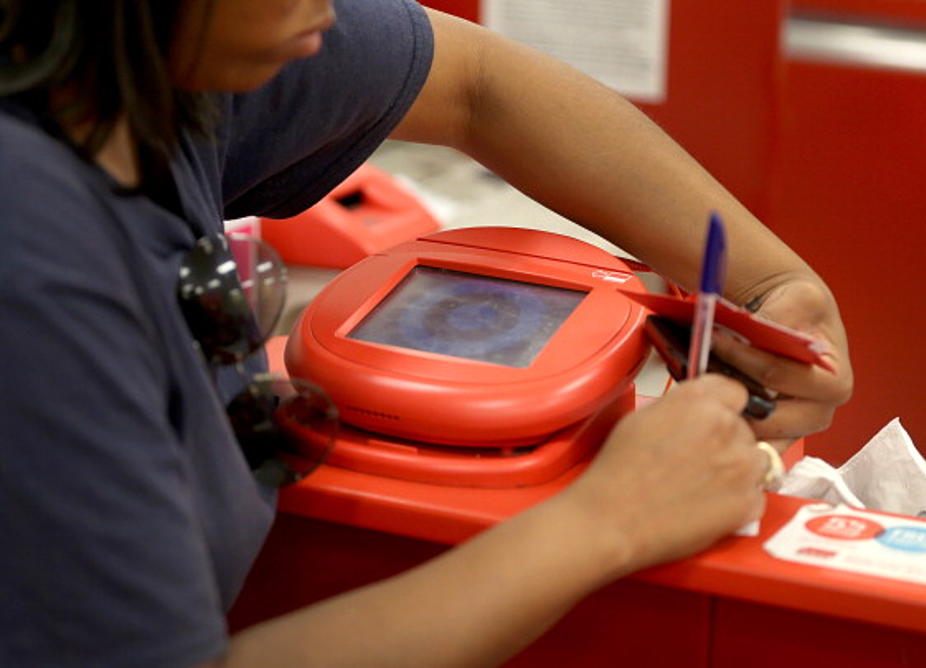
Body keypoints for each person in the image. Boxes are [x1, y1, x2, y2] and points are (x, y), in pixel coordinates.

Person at [0, 1, 852, 666]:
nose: (334, 9)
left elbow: (478, 82)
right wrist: (610, 520)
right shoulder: (28, 239)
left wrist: (770, 280)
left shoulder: (154, 71)